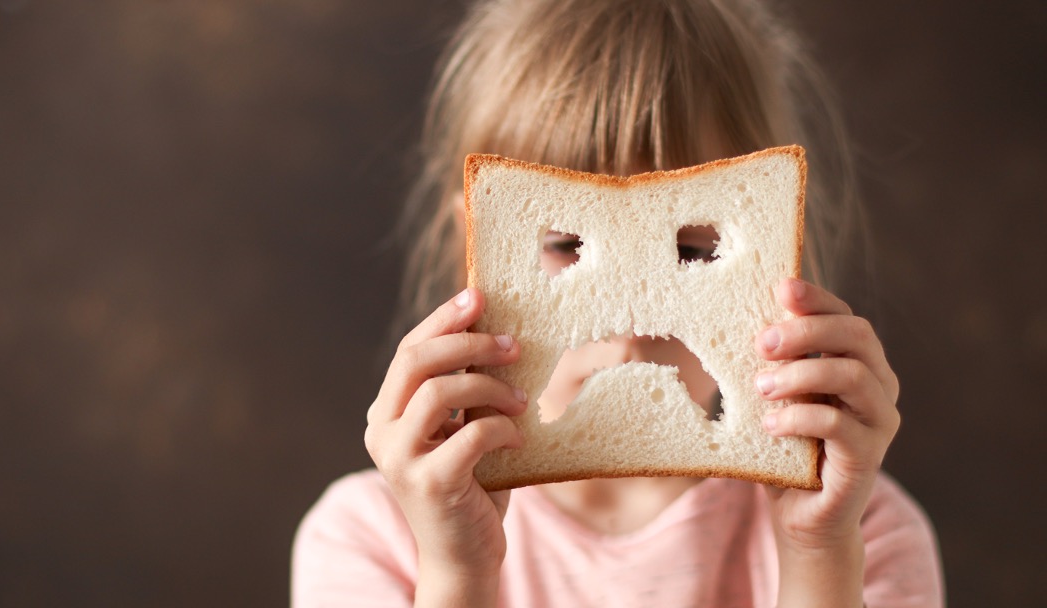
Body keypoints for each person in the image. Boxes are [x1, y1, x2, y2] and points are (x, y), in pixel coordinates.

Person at [292, 0, 945, 606]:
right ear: (477, 246)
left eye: (694, 249)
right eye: (564, 243)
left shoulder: (864, 531)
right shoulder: (368, 536)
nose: (633, 325)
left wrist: (818, 557)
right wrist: (458, 570)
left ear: (780, 250)